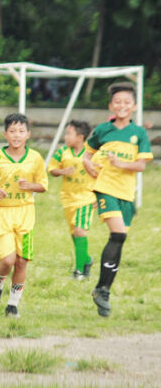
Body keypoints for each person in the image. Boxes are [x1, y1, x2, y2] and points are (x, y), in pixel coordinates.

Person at [83, 82, 153, 317]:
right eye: (117, 102)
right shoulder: (103, 129)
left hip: (127, 194)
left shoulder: (139, 133)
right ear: (111, 105)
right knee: (119, 234)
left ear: (133, 106)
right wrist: (87, 164)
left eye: (126, 102)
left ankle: (103, 289)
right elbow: (87, 153)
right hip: (105, 188)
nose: (122, 105)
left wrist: (121, 163)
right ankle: (102, 289)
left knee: (118, 238)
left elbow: (141, 165)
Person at [0, 113, 48, 318]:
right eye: (12, 131)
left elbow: (43, 185)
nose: (16, 135)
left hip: (25, 213)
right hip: (2, 213)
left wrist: (31, 186)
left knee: (21, 261)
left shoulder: (35, 158)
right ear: (5, 134)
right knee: (8, 260)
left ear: (28, 134)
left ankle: (12, 305)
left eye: (21, 131)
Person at [47, 120, 96, 280]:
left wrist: (99, 195)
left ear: (80, 137)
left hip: (86, 198)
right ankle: (87, 260)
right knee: (74, 234)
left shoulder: (92, 153)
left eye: (69, 133)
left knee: (80, 231)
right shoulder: (62, 152)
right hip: (68, 199)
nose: (65, 136)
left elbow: (101, 174)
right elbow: (52, 169)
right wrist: (62, 171)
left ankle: (79, 270)